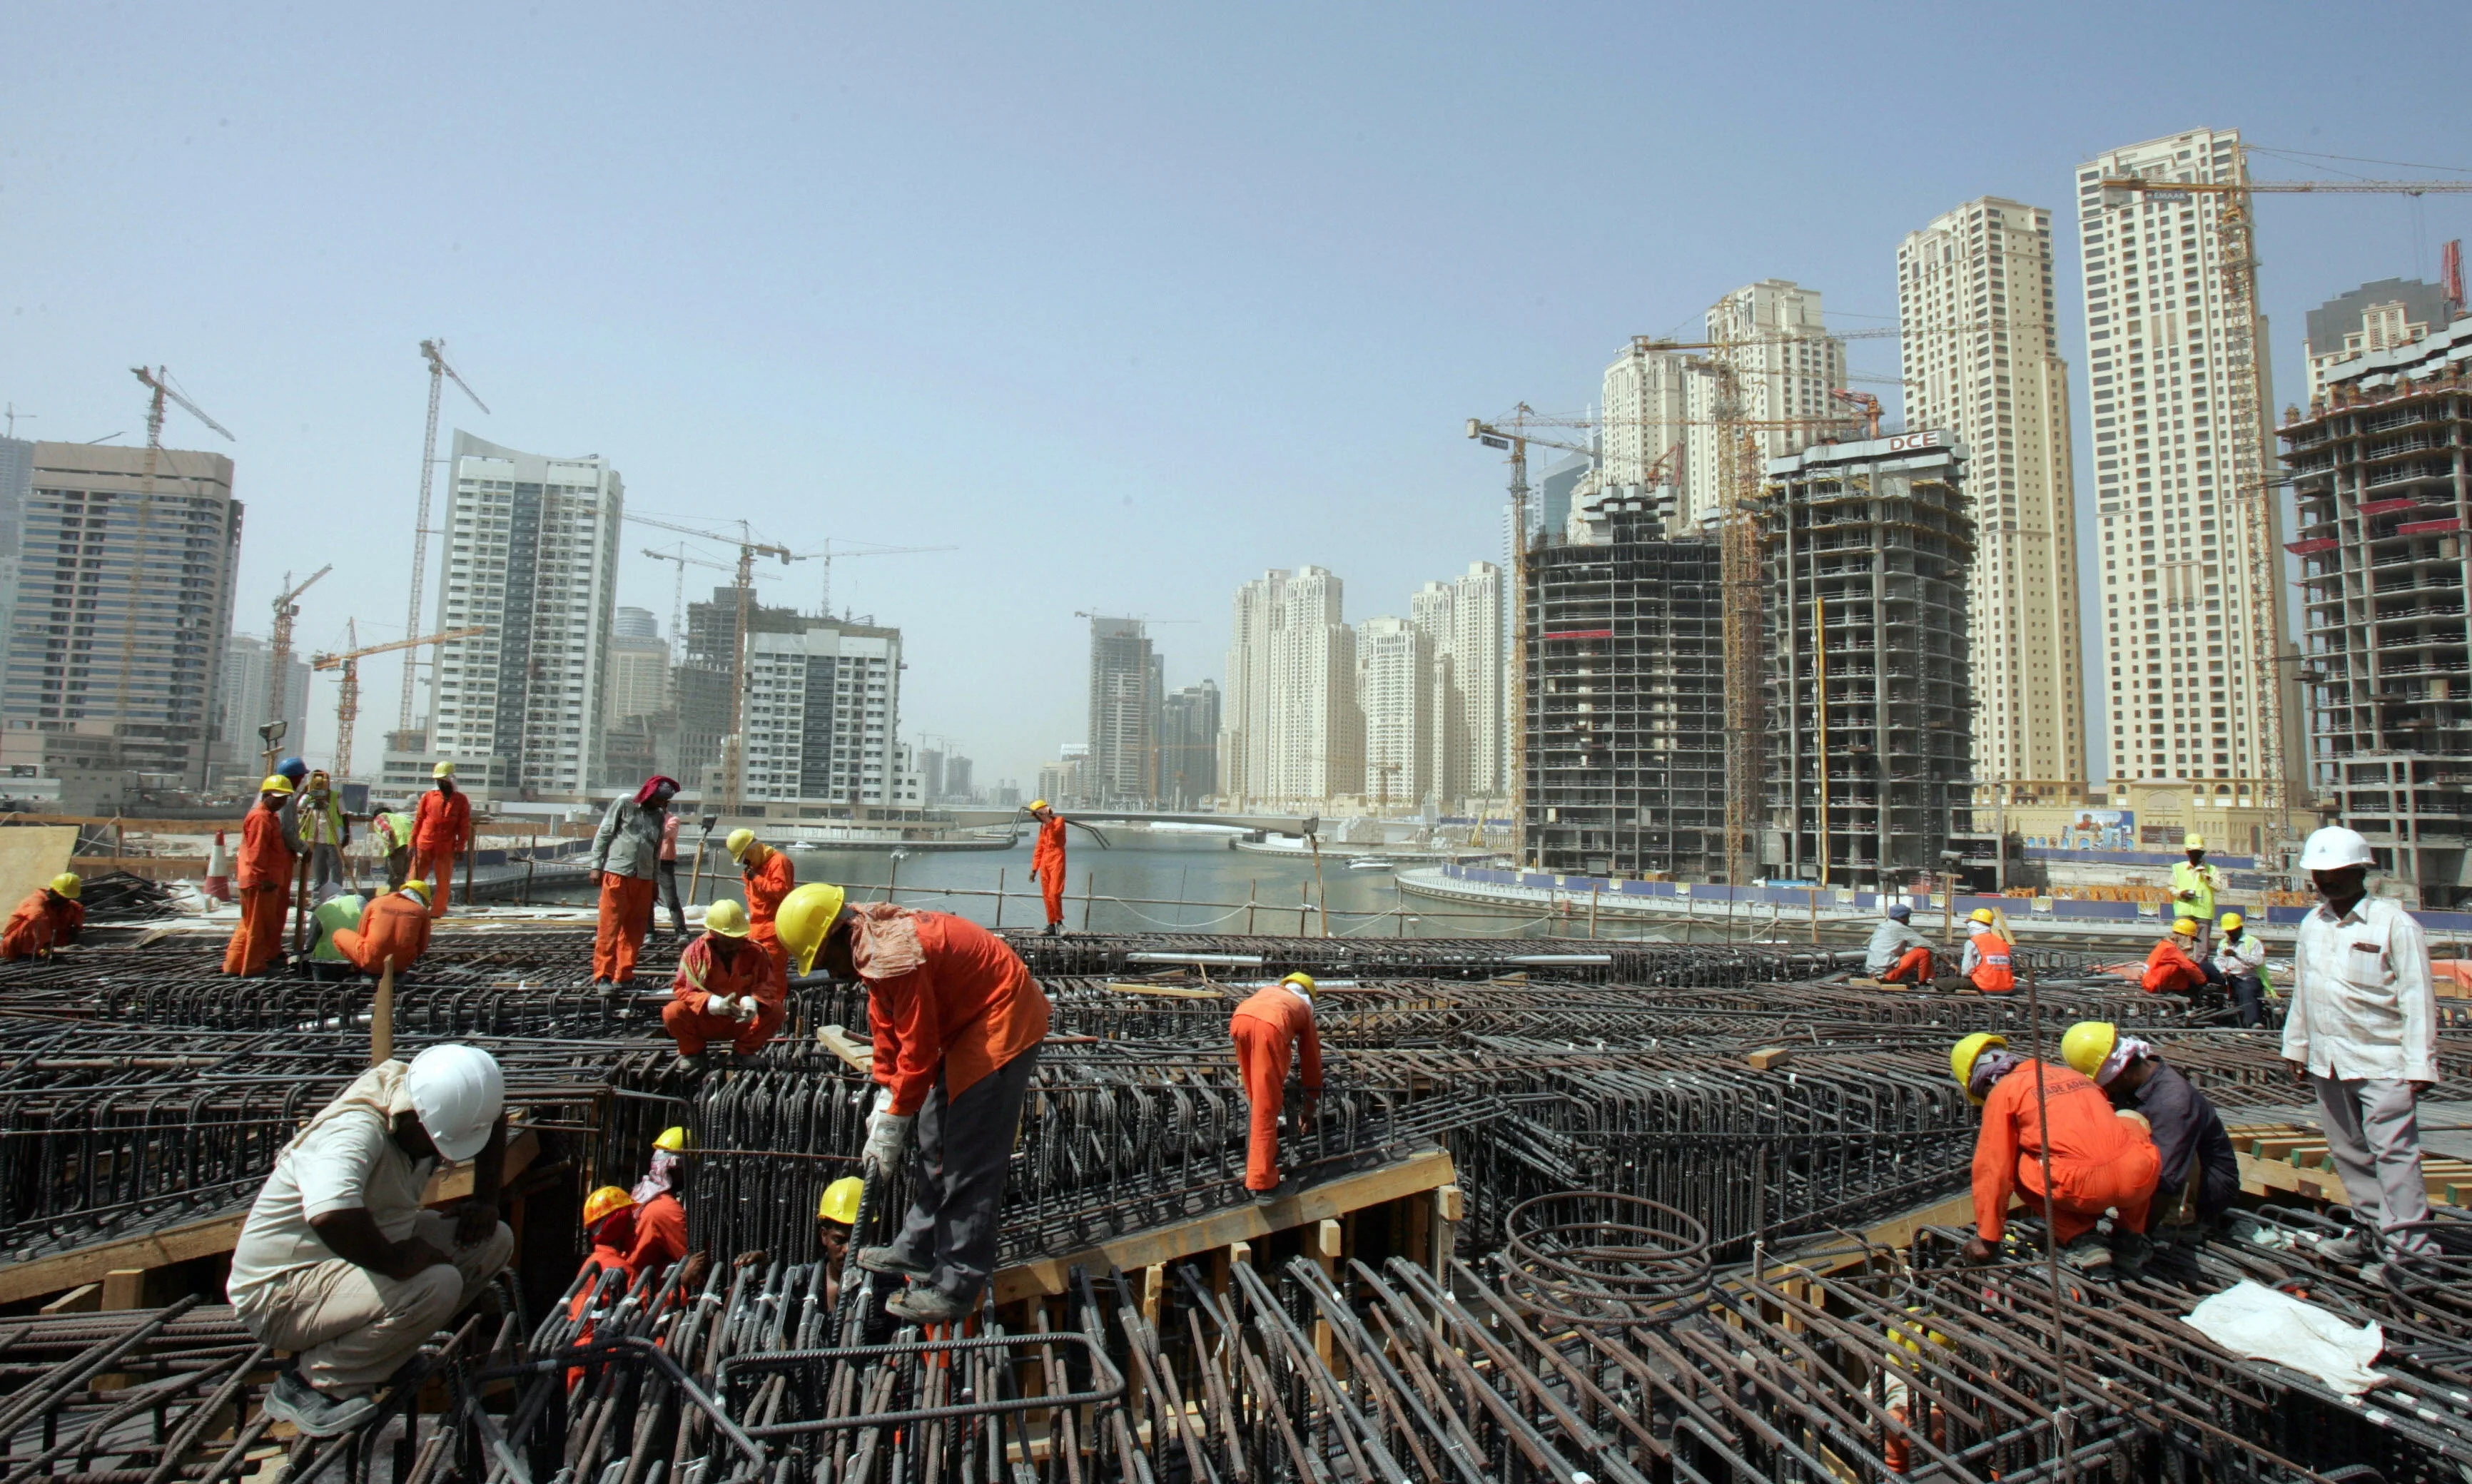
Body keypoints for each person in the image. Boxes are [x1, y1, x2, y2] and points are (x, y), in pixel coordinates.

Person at [776, 880, 1050, 1325]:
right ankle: (917, 1249)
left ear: (838, 937)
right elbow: (888, 1025)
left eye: (826, 963)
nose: (832, 976)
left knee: (969, 1158)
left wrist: (893, 1121)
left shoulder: (894, 955)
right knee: (933, 1137)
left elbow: (919, 1052)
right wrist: (887, 1092)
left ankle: (958, 1283)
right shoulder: (870, 947)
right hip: (965, 1021)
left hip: (1002, 1017)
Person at [226, 1045, 510, 1437]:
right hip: (282, 1292)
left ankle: (382, 1354)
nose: (442, 1159)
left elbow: (493, 1121)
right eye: (438, 1146)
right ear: (414, 1123)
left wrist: (486, 1201)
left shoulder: (424, 1098)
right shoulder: (353, 1132)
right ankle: (314, 1384)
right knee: (437, 1284)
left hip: (349, 1266)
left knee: (492, 1240)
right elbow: (331, 1214)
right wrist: (397, 1262)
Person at [2284, 825, 2440, 1270]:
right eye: (2319, 873)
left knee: (2395, 1156)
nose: (2327, 881)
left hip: (2383, 1061)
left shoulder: (2395, 925)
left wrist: (2420, 1065)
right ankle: (2372, 1233)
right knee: (2350, 1152)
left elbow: (2417, 998)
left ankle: (2412, 1254)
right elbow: (2305, 991)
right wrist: (2297, 1046)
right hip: (2329, 1061)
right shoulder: (2313, 925)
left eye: (2335, 872)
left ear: (2359, 871)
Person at [1952, 1032, 2159, 1274]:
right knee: (2128, 1125)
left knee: (2015, 1163)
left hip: (2081, 1186)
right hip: (2138, 1179)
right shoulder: (2074, 1075)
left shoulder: (2004, 1091)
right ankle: (2130, 1238)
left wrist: (1988, 1238)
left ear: (1985, 1083)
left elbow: (1993, 1169)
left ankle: (2081, 1238)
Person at [2063, 1022, 2238, 1246]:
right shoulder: (2135, 1083)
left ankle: (2181, 1221)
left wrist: (2133, 1237)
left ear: (2122, 1075)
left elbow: (2166, 1179)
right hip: (2161, 1174)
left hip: (2204, 1189)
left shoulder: (2172, 1102)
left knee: (2135, 1124)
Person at [1231, 972, 1327, 1202]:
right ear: (1310, 999)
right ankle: (1264, 1184)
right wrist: (1310, 1107)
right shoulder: (1303, 1010)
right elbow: (1311, 1062)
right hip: (1269, 1027)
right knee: (1267, 1105)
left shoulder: (1272, 992)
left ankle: (1262, 1157)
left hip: (1240, 1019)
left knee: (1257, 1098)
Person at [659, 900, 784, 1067]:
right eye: (728, 940)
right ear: (714, 934)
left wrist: (752, 1002)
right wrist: (714, 1003)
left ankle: (743, 1052)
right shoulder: (695, 952)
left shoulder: (756, 952)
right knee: (673, 1012)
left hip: (742, 1021)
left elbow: (767, 984)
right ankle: (694, 1053)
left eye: (737, 939)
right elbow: (682, 988)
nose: (734, 945)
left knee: (776, 1011)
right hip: (705, 1019)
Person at [592, 776, 676, 989]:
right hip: (618, 873)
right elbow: (605, 832)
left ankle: (625, 973)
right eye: (660, 800)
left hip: (644, 878)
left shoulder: (659, 816)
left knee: (635, 929)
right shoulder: (625, 804)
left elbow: (657, 850)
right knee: (609, 926)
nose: (663, 805)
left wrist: (655, 881)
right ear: (650, 795)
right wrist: (596, 865)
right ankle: (604, 975)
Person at [224, 776, 304, 977]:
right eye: (278, 798)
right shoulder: (260, 818)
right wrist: (262, 877)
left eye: (285, 799)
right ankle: (253, 967)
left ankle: (234, 965)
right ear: (266, 795)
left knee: (248, 925)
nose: (281, 802)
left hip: (258, 879)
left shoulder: (269, 817)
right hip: (261, 882)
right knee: (259, 927)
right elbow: (257, 851)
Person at [728, 829, 797, 977]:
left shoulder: (779, 862)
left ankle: (774, 1001)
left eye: (745, 858)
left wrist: (757, 879)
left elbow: (781, 892)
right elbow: (751, 898)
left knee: (773, 975)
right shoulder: (752, 870)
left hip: (774, 931)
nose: (746, 863)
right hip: (755, 931)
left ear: (752, 850)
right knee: (752, 975)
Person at [332, 880, 435, 978]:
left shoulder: (376, 902)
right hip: (400, 965)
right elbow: (422, 947)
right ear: (423, 899)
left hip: (370, 960)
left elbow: (362, 932)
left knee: (338, 933)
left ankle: (358, 968)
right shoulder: (422, 912)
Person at [630, 1127, 692, 1287]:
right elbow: (691, 1258)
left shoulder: (641, 1195)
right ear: (678, 1168)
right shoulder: (667, 1209)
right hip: (641, 1291)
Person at [410, 763, 472, 919]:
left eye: (443, 780)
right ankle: (411, 907)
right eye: (439, 780)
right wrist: (412, 843)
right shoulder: (428, 797)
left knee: (443, 881)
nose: (440, 783)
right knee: (415, 879)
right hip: (424, 843)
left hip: (446, 846)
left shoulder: (461, 800)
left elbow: (463, 826)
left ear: (451, 780)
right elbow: (418, 820)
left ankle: (437, 910)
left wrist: (460, 848)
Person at [1, 873, 83, 961]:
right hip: (15, 948)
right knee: (32, 923)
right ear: (53, 893)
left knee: (70, 910)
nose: (66, 901)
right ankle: (30, 953)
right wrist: (46, 944)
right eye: (64, 898)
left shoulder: (61, 903)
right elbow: (38, 919)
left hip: (42, 944)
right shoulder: (34, 901)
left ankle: (40, 952)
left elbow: (78, 908)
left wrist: (77, 926)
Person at [300, 770, 353, 904]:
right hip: (316, 840)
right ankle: (317, 901)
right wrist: (307, 792)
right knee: (319, 873)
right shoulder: (310, 795)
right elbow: (299, 807)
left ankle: (337, 899)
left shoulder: (336, 796)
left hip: (333, 839)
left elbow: (344, 815)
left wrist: (347, 834)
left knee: (336, 871)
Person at [2212, 912, 2271, 1029]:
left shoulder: (2253, 942)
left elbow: (2258, 962)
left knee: (2247, 991)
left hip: (2249, 978)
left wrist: (2236, 955)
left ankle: (2253, 1023)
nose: (2230, 933)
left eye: (2233, 930)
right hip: (2231, 977)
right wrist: (2222, 970)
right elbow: (2219, 960)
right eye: (2228, 931)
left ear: (2240, 928)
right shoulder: (2224, 943)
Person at [816, 1176, 862, 1306]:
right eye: (839, 1240)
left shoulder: (883, 1289)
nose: (847, 1249)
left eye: (857, 1242)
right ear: (824, 1236)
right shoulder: (801, 1284)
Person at [2142, 918, 2217, 997]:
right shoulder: (2170, 949)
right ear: (2186, 937)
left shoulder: (2164, 945)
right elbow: (2189, 967)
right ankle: (2178, 991)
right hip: (2156, 985)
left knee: (2191, 966)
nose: (2191, 943)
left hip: (2151, 982)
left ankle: (2181, 989)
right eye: (2191, 939)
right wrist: (2203, 983)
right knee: (2191, 967)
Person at [2172, 834, 2221, 952]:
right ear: (2187, 852)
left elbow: (2218, 887)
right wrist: (2181, 893)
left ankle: (2199, 969)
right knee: (2181, 947)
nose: (2196, 854)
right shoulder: (2178, 868)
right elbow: (2171, 887)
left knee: (2201, 949)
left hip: (2203, 912)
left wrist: (2206, 875)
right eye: (2193, 852)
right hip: (2184, 911)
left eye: (2199, 852)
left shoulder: (2211, 869)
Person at [1865, 903, 1935, 985]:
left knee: (1906, 953)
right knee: (1923, 952)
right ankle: (1923, 982)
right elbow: (1929, 945)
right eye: (1907, 918)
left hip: (1871, 974)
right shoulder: (1900, 928)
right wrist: (1952, 965)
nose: (1909, 921)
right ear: (1901, 918)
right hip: (1885, 976)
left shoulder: (1881, 926)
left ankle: (1928, 979)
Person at [304, 892, 364, 982]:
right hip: (355, 959)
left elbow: (311, 943)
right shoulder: (360, 902)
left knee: (324, 991)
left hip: (324, 963)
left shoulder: (320, 910)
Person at [1028, 800, 1067, 937]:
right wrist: (1034, 869)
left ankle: (1059, 923)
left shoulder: (1059, 821)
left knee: (1054, 892)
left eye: (1038, 815)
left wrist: (1048, 820)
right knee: (1046, 894)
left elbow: (1055, 835)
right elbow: (1039, 848)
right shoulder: (1042, 828)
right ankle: (1051, 924)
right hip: (1045, 860)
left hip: (1057, 857)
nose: (1038, 818)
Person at [1957, 908, 2015, 995]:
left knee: (1946, 983)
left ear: (1972, 925)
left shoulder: (1973, 942)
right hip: (2007, 988)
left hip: (1986, 987)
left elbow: (1966, 971)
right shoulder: (2002, 942)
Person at [369, 803, 416, 891]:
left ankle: (394, 898)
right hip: (413, 846)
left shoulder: (380, 817)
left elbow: (387, 830)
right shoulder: (401, 818)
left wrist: (391, 848)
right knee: (404, 876)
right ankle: (402, 896)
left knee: (396, 877)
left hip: (399, 845)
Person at [655, 810, 687, 939]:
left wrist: (653, 822)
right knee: (646, 899)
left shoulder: (673, 820)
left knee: (672, 899)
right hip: (648, 862)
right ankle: (649, 932)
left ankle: (681, 932)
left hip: (665, 864)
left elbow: (666, 833)